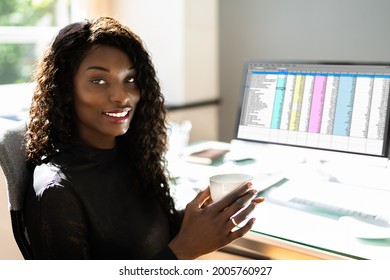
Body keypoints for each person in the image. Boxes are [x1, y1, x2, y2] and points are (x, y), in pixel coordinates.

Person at [23, 16, 264, 260]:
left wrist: (200, 216)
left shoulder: (131, 156)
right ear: (64, 90)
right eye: (98, 81)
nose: (122, 96)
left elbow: (139, 237)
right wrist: (184, 251)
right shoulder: (57, 192)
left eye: (130, 79)